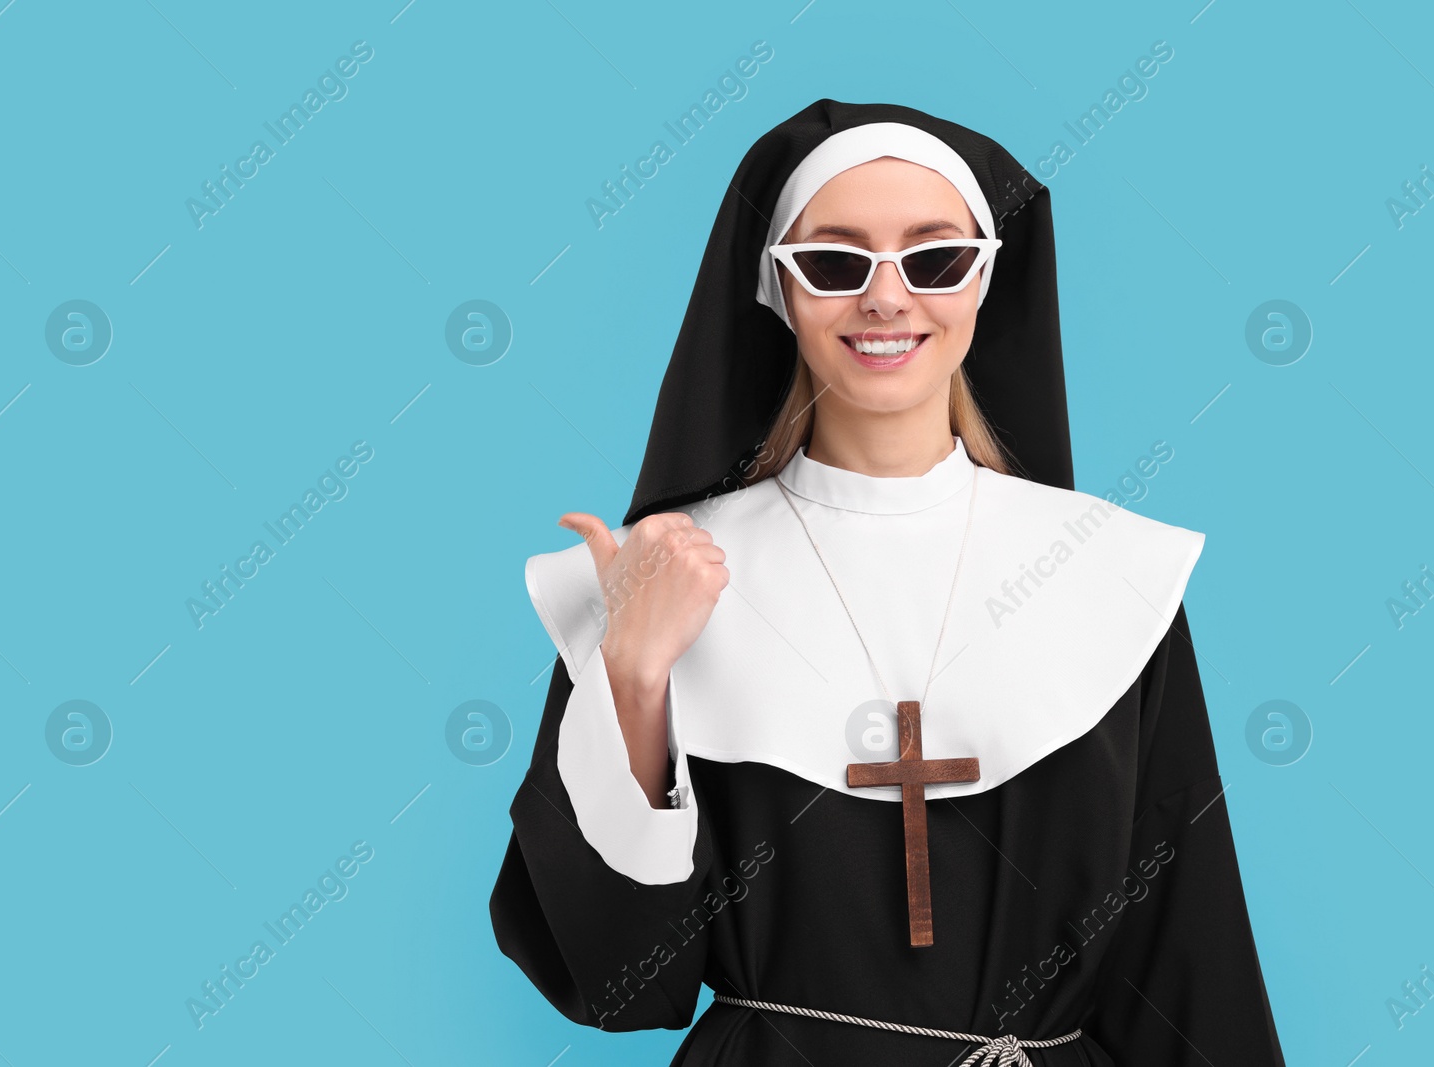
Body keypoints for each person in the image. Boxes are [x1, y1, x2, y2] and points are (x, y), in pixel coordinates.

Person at [489, 99, 1287, 1066]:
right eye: (834, 262)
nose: (886, 298)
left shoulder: (1106, 574)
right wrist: (634, 679)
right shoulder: (655, 581)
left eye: (934, 257)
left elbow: (1187, 963)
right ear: (779, 292)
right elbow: (626, 989)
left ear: (986, 278)